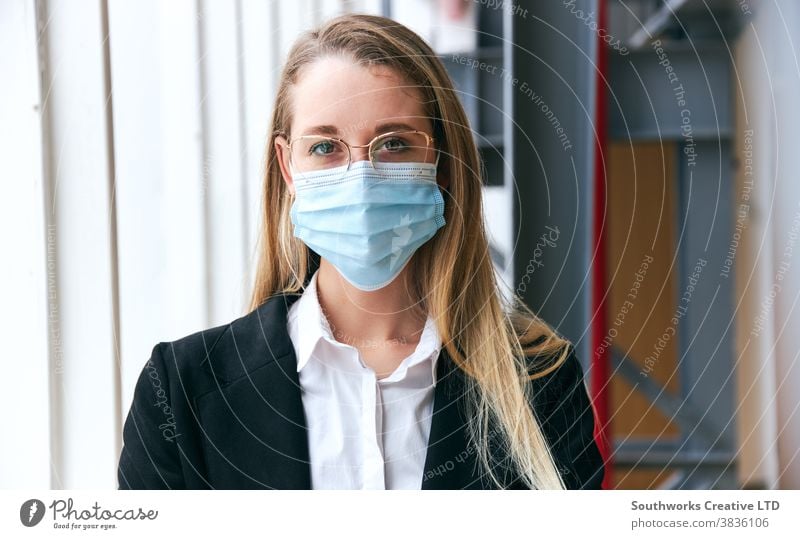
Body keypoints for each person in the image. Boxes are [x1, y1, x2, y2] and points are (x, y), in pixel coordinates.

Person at [117, 13, 605, 490]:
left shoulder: (540, 383)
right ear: (288, 167)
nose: (362, 176)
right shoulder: (181, 392)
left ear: (442, 162)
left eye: (393, 143)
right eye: (326, 147)